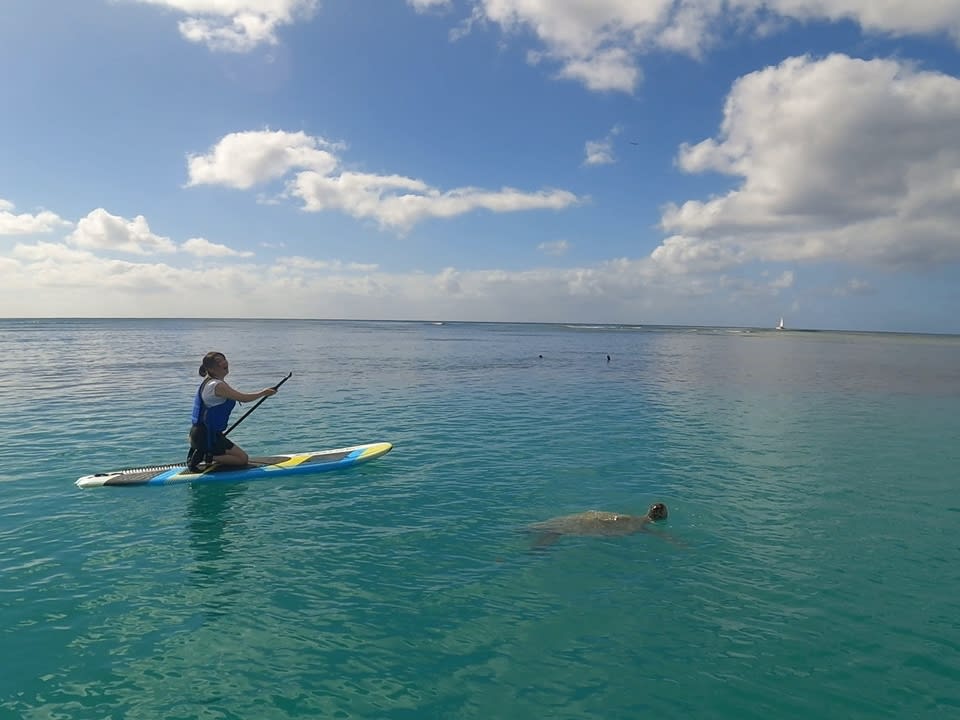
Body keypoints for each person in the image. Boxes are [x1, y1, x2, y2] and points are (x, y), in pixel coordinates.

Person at [187, 352, 277, 471]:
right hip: (205, 436)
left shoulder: (210, 381)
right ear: (210, 368)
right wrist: (263, 393)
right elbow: (243, 398)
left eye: (224, 359)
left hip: (202, 434)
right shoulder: (217, 385)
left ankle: (208, 454)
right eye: (219, 361)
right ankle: (207, 456)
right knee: (242, 459)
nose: (224, 362)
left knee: (238, 456)